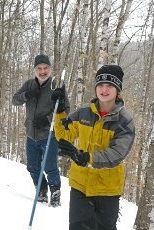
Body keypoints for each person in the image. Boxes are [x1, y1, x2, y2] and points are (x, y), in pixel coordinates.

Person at [51, 65, 135, 229]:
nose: (104, 89)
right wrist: (59, 111)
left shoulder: (125, 120)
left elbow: (117, 153)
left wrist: (87, 157)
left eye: (109, 85)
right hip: (80, 186)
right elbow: (63, 135)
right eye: (100, 85)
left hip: (107, 189)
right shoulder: (83, 112)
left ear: (117, 90)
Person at [12, 54, 70, 207]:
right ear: (35, 70)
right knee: (32, 166)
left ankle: (55, 194)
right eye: (39, 68)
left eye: (45, 68)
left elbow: (66, 109)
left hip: (49, 134)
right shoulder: (29, 84)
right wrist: (27, 95)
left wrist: (47, 119)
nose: (43, 71)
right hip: (31, 134)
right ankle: (42, 190)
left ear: (50, 69)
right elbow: (14, 100)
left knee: (50, 166)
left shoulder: (56, 85)